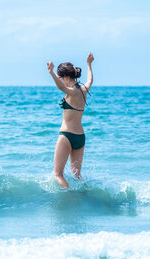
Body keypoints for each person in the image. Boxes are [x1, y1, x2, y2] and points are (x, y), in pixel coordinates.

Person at [47, 53, 94, 188]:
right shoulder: (84, 90)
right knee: (77, 175)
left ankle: (70, 196)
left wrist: (51, 73)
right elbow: (90, 80)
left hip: (67, 136)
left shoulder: (72, 92)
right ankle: (85, 194)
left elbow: (61, 88)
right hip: (80, 137)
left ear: (66, 77)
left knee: (58, 174)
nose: (60, 80)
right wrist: (89, 65)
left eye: (60, 78)